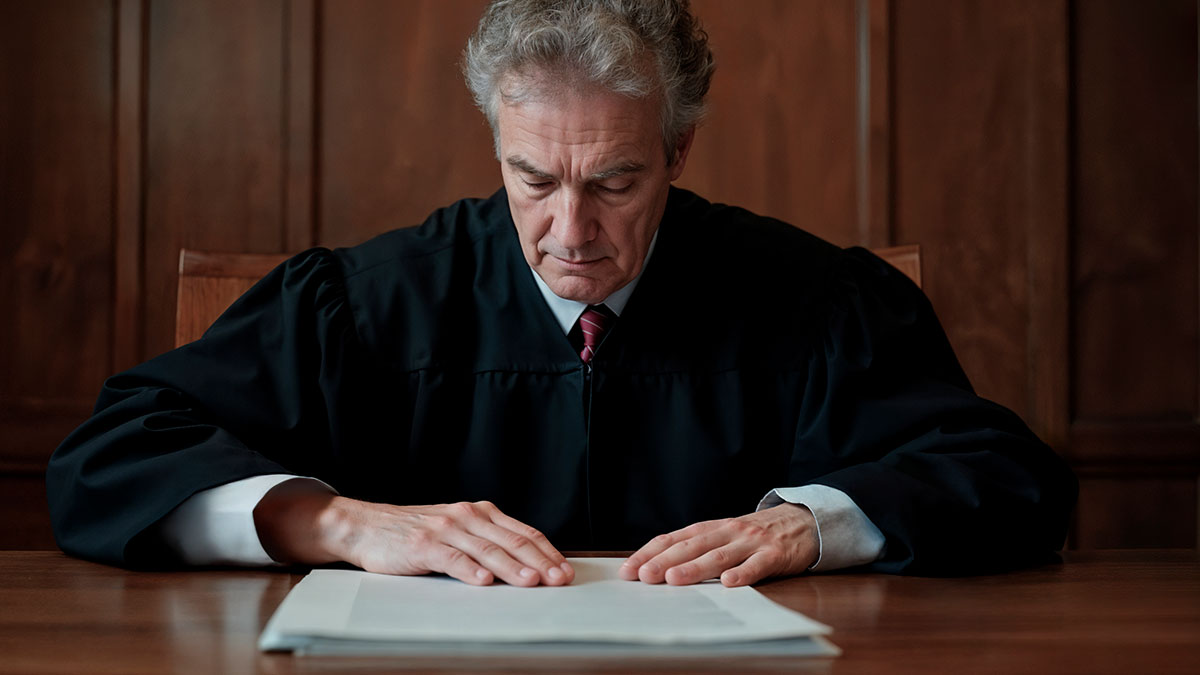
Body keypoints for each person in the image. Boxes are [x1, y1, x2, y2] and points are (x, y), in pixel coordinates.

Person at [47, 0, 1076, 589]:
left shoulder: (813, 302)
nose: (571, 232)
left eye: (616, 183)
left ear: (677, 150)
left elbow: (1008, 477)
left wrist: (818, 525)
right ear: (496, 142)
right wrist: (342, 525)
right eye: (533, 181)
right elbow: (109, 456)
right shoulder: (364, 304)